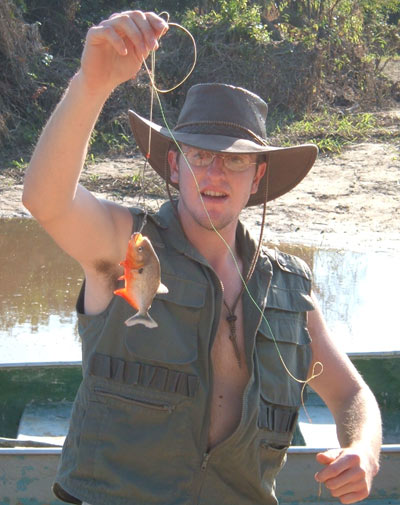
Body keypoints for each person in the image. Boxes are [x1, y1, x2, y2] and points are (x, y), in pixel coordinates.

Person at [22, 10, 382, 505]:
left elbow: (352, 396)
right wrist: (93, 83)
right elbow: (46, 200)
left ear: (257, 178)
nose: (215, 173)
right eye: (199, 155)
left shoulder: (287, 287)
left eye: (235, 160)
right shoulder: (126, 245)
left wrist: (363, 450)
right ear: (174, 164)